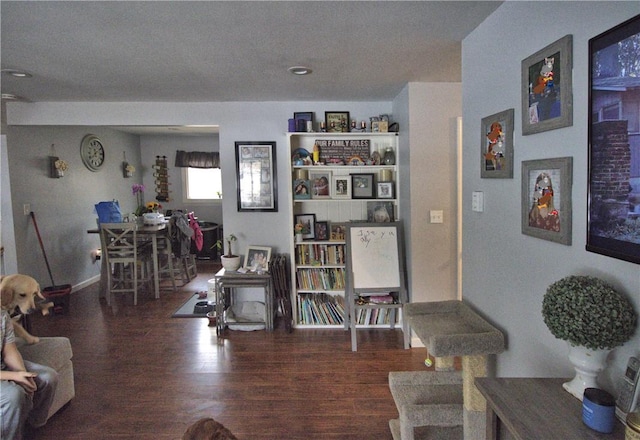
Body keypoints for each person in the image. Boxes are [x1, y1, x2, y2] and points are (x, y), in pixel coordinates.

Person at [1, 309, 58, 440]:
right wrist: (14, 376)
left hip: (2, 364)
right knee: (13, 395)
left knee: (49, 378)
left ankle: (32, 427)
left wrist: (23, 373)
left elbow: (9, 351)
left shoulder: (2, 315)